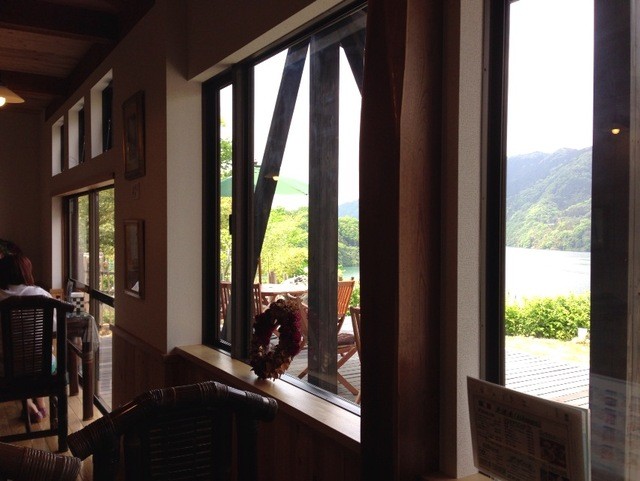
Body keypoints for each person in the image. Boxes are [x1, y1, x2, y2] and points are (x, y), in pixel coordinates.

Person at [0, 251, 53, 423]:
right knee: (38, 356)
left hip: (7, 369)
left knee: (15, 359)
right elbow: (53, 328)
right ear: (26, 271)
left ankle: (29, 404)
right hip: (42, 367)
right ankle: (40, 404)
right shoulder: (42, 295)